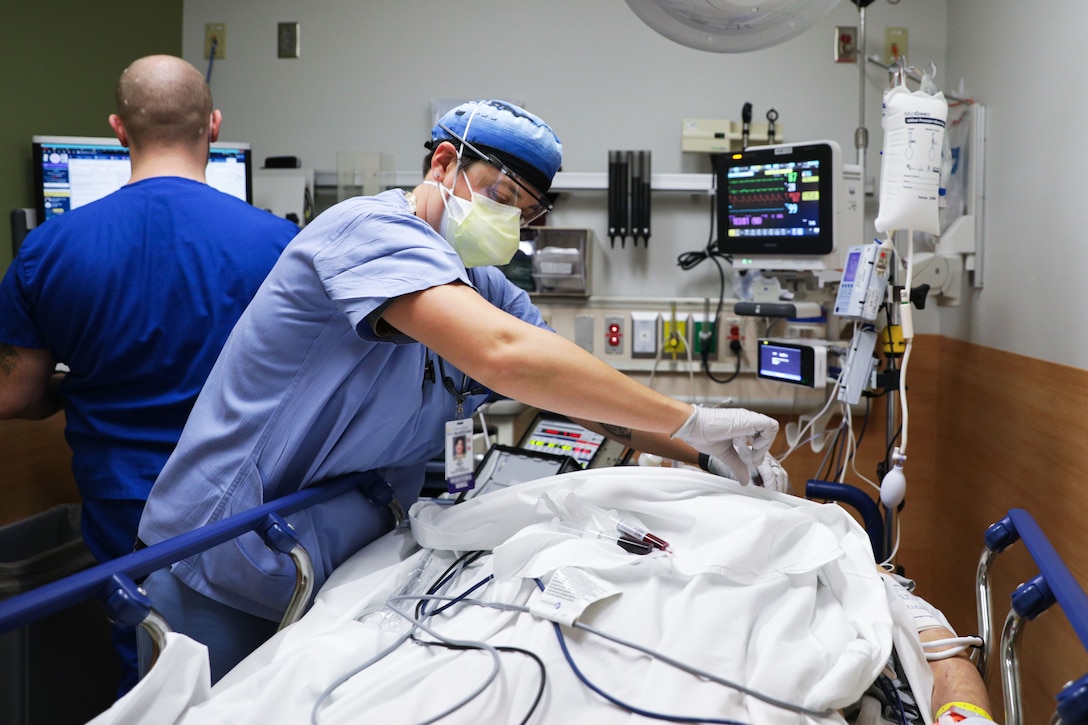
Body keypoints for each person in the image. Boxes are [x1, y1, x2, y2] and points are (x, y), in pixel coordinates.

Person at [135, 99, 788, 682]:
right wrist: (691, 416)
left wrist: (704, 452)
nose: (510, 222)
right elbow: (505, 356)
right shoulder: (366, 231)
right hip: (222, 557)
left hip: (321, 560)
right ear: (444, 163)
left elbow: (566, 385)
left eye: (526, 214)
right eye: (501, 195)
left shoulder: (478, 285)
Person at [0, 55, 299, 693]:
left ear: (119, 129)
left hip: (122, 500)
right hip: (240, 498)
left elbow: (14, 393)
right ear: (213, 126)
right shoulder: (278, 245)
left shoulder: (49, 248)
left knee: (148, 655)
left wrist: (75, 387)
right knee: (251, 660)